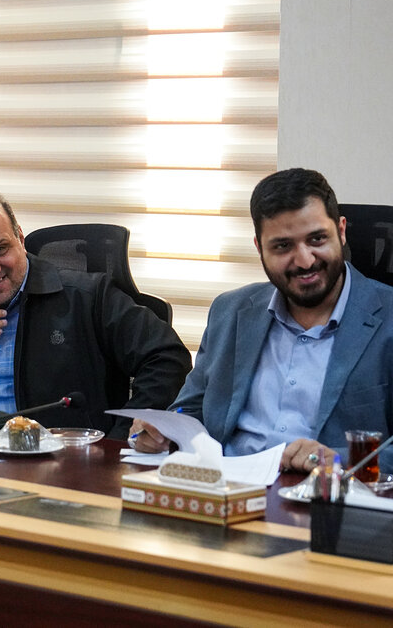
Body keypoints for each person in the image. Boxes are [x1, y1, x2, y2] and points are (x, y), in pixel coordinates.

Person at [130, 168, 393, 473]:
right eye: (283, 246)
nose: (305, 260)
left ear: (341, 231)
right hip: (227, 486)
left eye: (317, 239)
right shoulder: (230, 311)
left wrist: (337, 460)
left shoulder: (386, 317)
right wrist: (159, 431)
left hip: (324, 493)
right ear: (259, 248)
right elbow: (189, 410)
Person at [0, 189, 191, 436]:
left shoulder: (88, 297)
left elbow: (167, 357)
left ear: (20, 238)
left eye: (0, 249)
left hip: (60, 464)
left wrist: (120, 440)